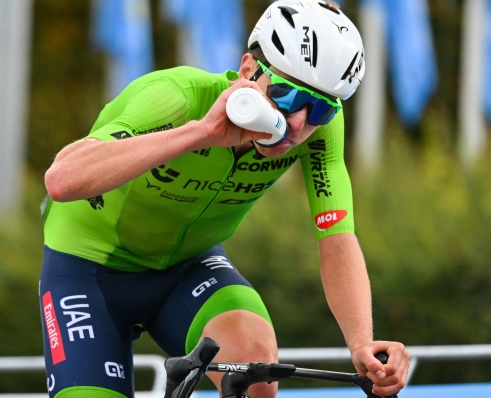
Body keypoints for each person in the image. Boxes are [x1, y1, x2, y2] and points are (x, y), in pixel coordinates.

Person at [40, 1, 409, 397]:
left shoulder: (320, 133)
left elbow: (337, 239)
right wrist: (203, 133)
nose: (299, 122)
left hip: (187, 268)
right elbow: (61, 180)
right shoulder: (177, 96)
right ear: (249, 70)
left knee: (256, 375)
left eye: (320, 108)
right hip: (88, 269)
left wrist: (362, 344)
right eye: (286, 95)